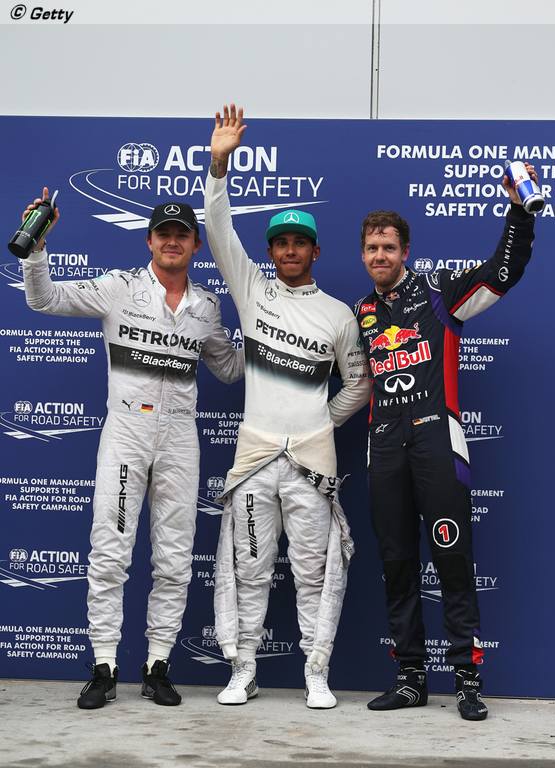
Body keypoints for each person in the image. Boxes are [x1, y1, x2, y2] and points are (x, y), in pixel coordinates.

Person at [19, 189, 244, 709]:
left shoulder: (207, 307)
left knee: (174, 557)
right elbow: (44, 299)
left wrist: (268, 336)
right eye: (164, 234)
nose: (172, 242)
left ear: (195, 245)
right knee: (110, 552)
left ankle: (157, 666)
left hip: (180, 437)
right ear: (149, 241)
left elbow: (230, 369)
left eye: (182, 235)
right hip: (126, 431)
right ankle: (103, 667)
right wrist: (36, 249)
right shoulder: (118, 288)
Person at [354, 164, 538, 720]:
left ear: (405, 251)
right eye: (372, 248)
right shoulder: (363, 312)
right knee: (396, 564)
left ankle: (466, 680)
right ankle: (410, 678)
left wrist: (519, 214)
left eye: (388, 247)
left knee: (452, 560)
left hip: (438, 443)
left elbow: (503, 272)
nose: (380, 255)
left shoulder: (438, 293)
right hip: (384, 450)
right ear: (363, 255)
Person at [204, 105, 370, 709]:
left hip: (312, 465)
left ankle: (315, 672)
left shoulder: (338, 315)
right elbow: (219, 230)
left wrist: (320, 423)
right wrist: (218, 165)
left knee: (313, 572)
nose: (290, 250)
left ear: (315, 252)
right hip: (253, 460)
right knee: (249, 571)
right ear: (271, 251)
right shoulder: (251, 288)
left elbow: (359, 383)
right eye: (281, 243)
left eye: (300, 242)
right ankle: (243, 669)